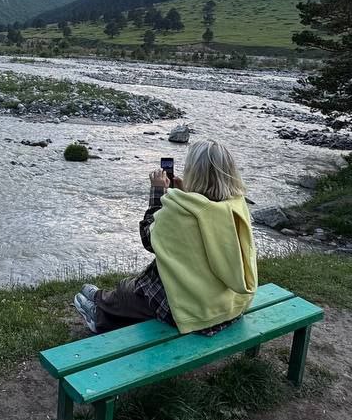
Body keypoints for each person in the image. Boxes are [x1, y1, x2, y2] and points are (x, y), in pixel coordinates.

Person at [74, 139, 257, 336]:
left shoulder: (181, 209)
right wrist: (187, 193)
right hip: (230, 303)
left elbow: (149, 237)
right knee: (132, 288)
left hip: (196, 312)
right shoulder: (237, 205)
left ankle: (98, 312)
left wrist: (158, 192)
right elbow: (207, 219)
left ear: (194, 172)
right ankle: (100, 300)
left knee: (130, 291)